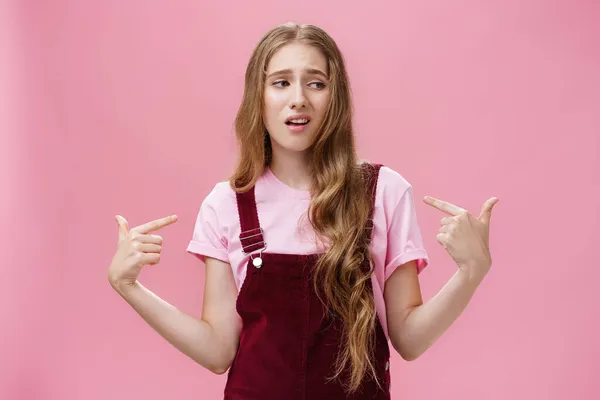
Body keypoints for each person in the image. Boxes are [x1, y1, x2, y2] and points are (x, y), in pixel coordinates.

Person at [108, 22, 498, 400]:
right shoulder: (226, 204)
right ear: (258, 98)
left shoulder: (381, 192)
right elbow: (217, 351)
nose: (298, 98)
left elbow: (409, 340)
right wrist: (130, 287)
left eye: (316, 83)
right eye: (280, 82)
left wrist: (471, 273)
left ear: (336, 97)